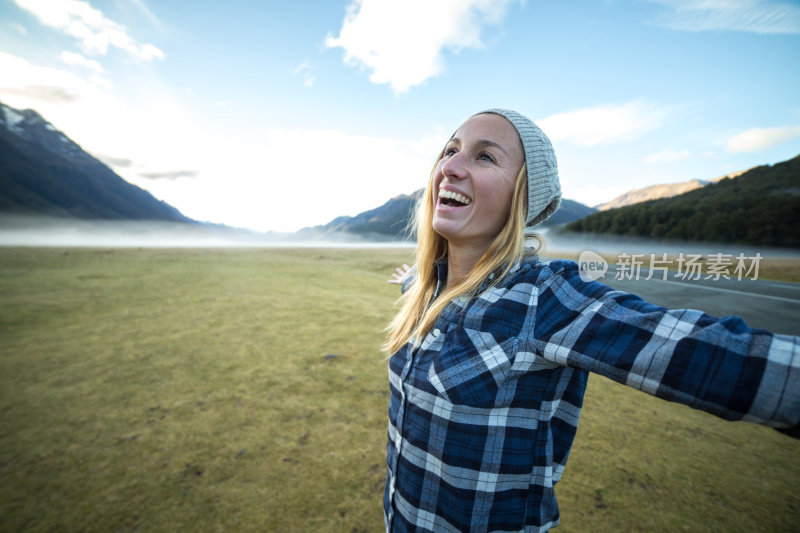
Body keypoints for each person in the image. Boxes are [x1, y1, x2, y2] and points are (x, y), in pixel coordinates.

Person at [381, 108, 799, 533]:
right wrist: (412, 280)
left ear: (524, 197)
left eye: (484, 157)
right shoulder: (428, 288)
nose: (449, 166)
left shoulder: (545, 299)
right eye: (449, 151)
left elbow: (704, 352)